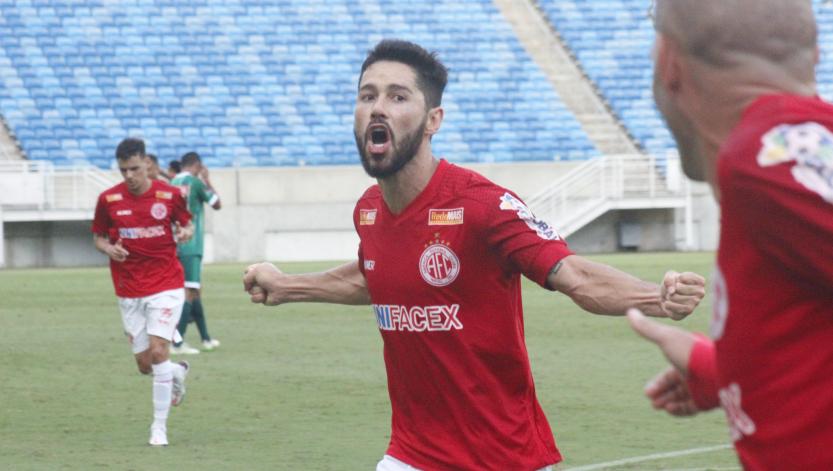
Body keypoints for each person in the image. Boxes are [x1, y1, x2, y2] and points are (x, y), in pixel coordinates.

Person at [243, 39, 706, 471]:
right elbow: (375, 276)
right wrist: (287, 286)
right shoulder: (369, 210)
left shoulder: (483, 206)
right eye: (367, 96)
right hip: (411, 454)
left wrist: (656, 298)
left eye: (398, 96)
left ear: (433, 120)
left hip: (504, 457)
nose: (377, 107)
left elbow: (575, 276)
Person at [626, 1, 833, 469]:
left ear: (669, 63)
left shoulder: (767, 159)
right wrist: (722, 371)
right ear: (815, 55)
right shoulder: (790, 156)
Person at [92, 137, 195, 446]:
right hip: (129, 288)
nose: (129, 176)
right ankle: (175, 372)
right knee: (146, 364)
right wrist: (109, 248)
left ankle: (158, 428)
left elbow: (187, 224)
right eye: (123, 170)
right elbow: (98, 237)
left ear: (147, 164)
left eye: (135, 169)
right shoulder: (108, 200)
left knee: (159, 350)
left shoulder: (170, 195)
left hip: (166, 284)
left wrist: (185, 232)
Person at [170, 151, 222, 354]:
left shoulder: (172, 182)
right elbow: (216, 203)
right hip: (191, 245)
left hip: (175, 245)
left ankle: (206, 338)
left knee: (194, 291)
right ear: (197, 165)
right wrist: (207, 180)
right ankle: (177, 343)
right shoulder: (196, 182)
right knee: (189, 292)